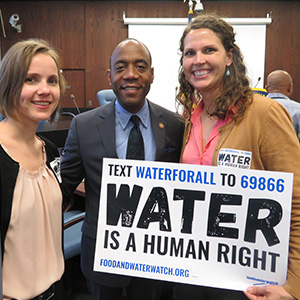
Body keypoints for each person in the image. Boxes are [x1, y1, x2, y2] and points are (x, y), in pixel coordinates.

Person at [174, 13, 300, 300]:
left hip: (247, 278)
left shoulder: (264, 113)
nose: (198, 60)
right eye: (189, 53)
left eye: (209, 50)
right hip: (195, 268)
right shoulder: (190, 117)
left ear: (229, 56)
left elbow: (297, 200)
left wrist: (294, 287)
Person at [60, 38, 185, 300]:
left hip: (156, 255)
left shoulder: (175, 125)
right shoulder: (83, 126)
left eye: (140, 67)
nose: (130, 75)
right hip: (102, 255)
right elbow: (63, 188)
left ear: (151, 75)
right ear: (109, 76)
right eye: (120, 67)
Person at [0, 38, 66, 299]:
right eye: (31, 79)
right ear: (9, 84)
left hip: (52, 291)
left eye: (52, 80)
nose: (45, 90)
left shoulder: (47, 149)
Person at [266, 69, 300, 142]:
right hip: (289, 152)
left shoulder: (251, 107)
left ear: (267, 89)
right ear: (290, 87)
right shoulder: (297, 109)